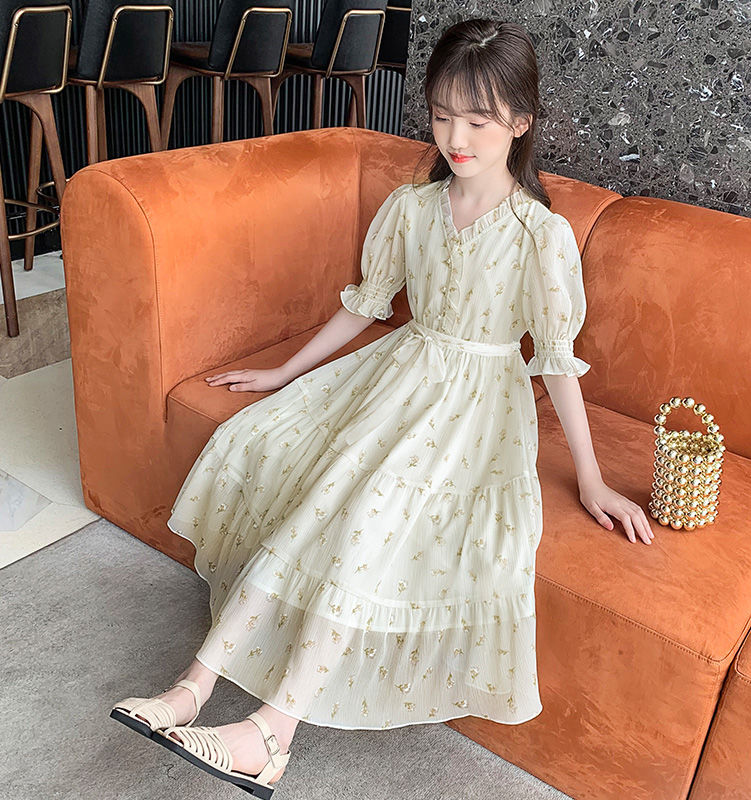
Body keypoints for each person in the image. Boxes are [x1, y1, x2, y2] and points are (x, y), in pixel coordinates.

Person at [110, 17, 654, 797]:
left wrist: (592, 479)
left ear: (521, 123)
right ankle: (191, 688)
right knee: (291, 464)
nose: (455, 137)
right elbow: (365, 305)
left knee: (367, 513)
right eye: (441, 115)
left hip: (476, 409)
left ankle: (271, 734)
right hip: (399, 372)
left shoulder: (541, 236)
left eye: (477, 120)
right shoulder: (412, 207)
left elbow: (558, 363)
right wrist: (284, 372)